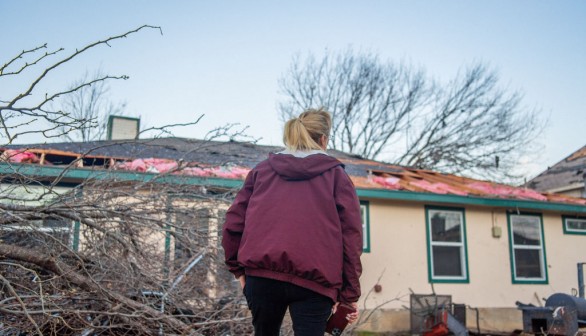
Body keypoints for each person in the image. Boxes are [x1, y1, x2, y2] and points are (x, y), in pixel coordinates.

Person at [221, 108, 363, 336]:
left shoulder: (261, 171)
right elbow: (351, 238)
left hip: (262, 277)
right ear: (324, 139)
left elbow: (234, 222)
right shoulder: (337, 177)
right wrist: (349, 295)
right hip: (316, 283)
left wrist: (239, 271)